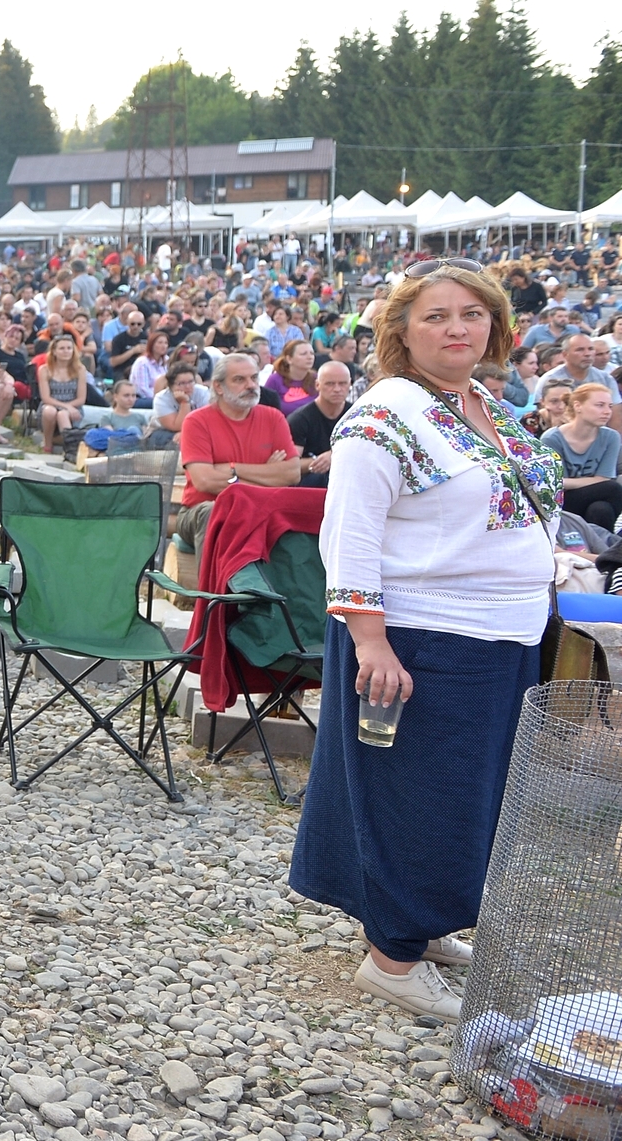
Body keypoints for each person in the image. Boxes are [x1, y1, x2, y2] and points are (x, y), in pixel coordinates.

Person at [292, 258, 561, 1021]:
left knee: (471, 796)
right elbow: (347, 534)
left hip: (498, 635)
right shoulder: (386, 411)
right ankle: (392, 959)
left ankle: (421, 922)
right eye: (436, 316)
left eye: (471, 314)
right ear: (401, 332)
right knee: (421, 797)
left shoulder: (477, 401)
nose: (456, 328)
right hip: (421, 636)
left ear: (496, 327)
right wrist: (369, 640)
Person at [174, 352, 302, 559]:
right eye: (239, 380)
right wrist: (267, 481)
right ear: (218, 387)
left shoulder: (274, 418)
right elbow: (205, 481)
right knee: (214, 511)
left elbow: (292, 473)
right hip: (200, 512)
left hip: (260, 509)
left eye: (254, 378)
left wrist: (233, 468)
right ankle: (212, 591)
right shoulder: (196, 421)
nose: (251, 385)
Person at [542, 384, 622, 530]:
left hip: (596, 497)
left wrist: (598, 482)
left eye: (610, 406)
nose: (607, 412)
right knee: (614, 488)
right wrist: (597, 482)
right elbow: (557, 484)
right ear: (578, 406)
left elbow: (604, 479)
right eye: (600, 405)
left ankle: (601, 548)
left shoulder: (611, 437)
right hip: (560, 501)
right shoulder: (552, 439)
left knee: (600, 509)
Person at [287, 361, 353, 488]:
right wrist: (322, 461)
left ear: (350, 384)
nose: (337, 389)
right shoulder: (300, 419)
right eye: (330, 384)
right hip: (311, 482)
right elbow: (290, 466)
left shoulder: (357, 416)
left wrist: (334, 456)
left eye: (343, 383)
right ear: (317, 385)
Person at [37, 334, 90, 448]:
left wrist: (68, 407)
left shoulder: (80, 369)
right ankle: (47, 444)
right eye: (62, 348)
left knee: (62, 414)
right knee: (50, 411)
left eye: (69, 348)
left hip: (73, 406)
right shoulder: (45, 370)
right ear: (54, 352)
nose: (66, 351)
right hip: (51, 405)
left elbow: (81, 398)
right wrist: (65, 406)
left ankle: (71, 447)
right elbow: (45, 398)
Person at [146, 361, 209, 451]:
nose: (188, 387)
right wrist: (184, 403)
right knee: (179, 440)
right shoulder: (161, 398)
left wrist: (188, 432)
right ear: (171, 385)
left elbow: (207, 420)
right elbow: (177, 427)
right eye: (182, 383)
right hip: (163, 431)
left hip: (195, 430)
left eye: (191, 382)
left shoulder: (203, 392)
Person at [265, 341, 318, 416]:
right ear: (289, 359)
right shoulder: (275, 380)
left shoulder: (317, 378)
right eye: (303, 354)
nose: (310, 357)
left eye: (312, 353)